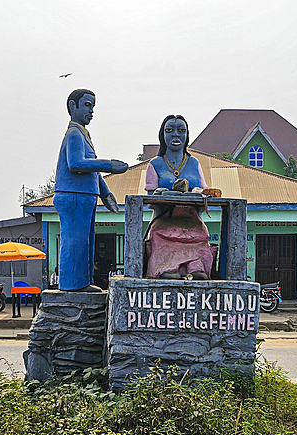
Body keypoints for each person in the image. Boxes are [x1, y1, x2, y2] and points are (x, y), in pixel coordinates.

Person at [53, 89, 128, 291]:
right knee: (75, 243)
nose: (91, 111)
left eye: (93, 106)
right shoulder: (74, 134)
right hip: (73, 195)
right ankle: (71, 285)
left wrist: (105, 193)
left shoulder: (84, 134)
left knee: (85, 243)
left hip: (85, 195)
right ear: (72, 106)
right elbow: (76, 164)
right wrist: (109, 165)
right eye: (87, 105)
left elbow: (91, 169)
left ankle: (82, 283)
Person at [143, 114, 215, 280]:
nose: (175, 134)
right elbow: (151, 200)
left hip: (192, 223)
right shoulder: (155, 164)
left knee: (198, 240)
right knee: (163, 238)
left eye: (181, 130)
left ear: (187, 135)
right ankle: (167, 266)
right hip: (165, 222)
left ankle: (195, 266)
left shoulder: (194, 163)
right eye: (170, 130)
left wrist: (197, 194)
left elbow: (204, 192)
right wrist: (164, 194)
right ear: (163, 135)